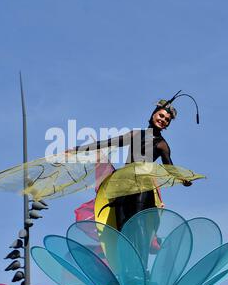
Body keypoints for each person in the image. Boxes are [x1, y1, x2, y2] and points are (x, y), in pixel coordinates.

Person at [73, 98, 193, 231]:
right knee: (121, 226)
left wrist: (183, 179)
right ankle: (123, 250)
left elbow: (169, 167)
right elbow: (107, 142)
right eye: (161, 115)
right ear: (153, 114)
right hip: (122, 184)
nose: (163, 120)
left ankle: (139, 250)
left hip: (142, 185)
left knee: (137, 223)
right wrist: (78, 149)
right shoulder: (135, 134)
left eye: (167, 120)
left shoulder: (162, 145)